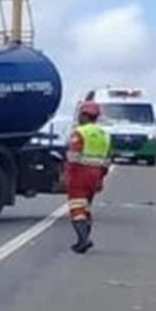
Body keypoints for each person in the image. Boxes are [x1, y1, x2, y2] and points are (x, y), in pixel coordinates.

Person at [63, 99, 112, 252]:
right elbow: (107, 160)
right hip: (96, 174)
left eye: (80, 114)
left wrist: (67, 175)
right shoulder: (104, 135)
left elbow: (73, 157)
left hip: (80, 174)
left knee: (76, 208)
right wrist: (101, 178)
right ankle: (83, 239)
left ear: (84, 115)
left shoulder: (80, 132)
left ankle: (83, 240)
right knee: (86, 207)